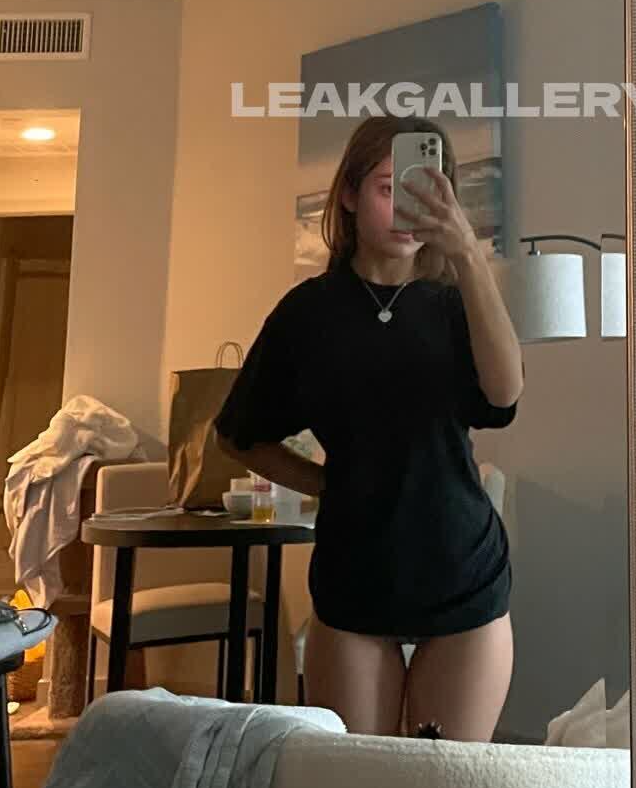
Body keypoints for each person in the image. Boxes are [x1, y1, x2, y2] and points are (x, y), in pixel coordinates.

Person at [214, 114, 525, 742]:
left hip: (461, 570)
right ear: (350, 195)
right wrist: (328, 484)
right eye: (390, 188)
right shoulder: (309, 313)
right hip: (354, 575)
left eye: (427, 190)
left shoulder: (455, 302)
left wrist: (467, 252)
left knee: (448, 783)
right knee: (358, 777)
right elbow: (239, 434)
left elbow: (504, 395)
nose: (410, 209)